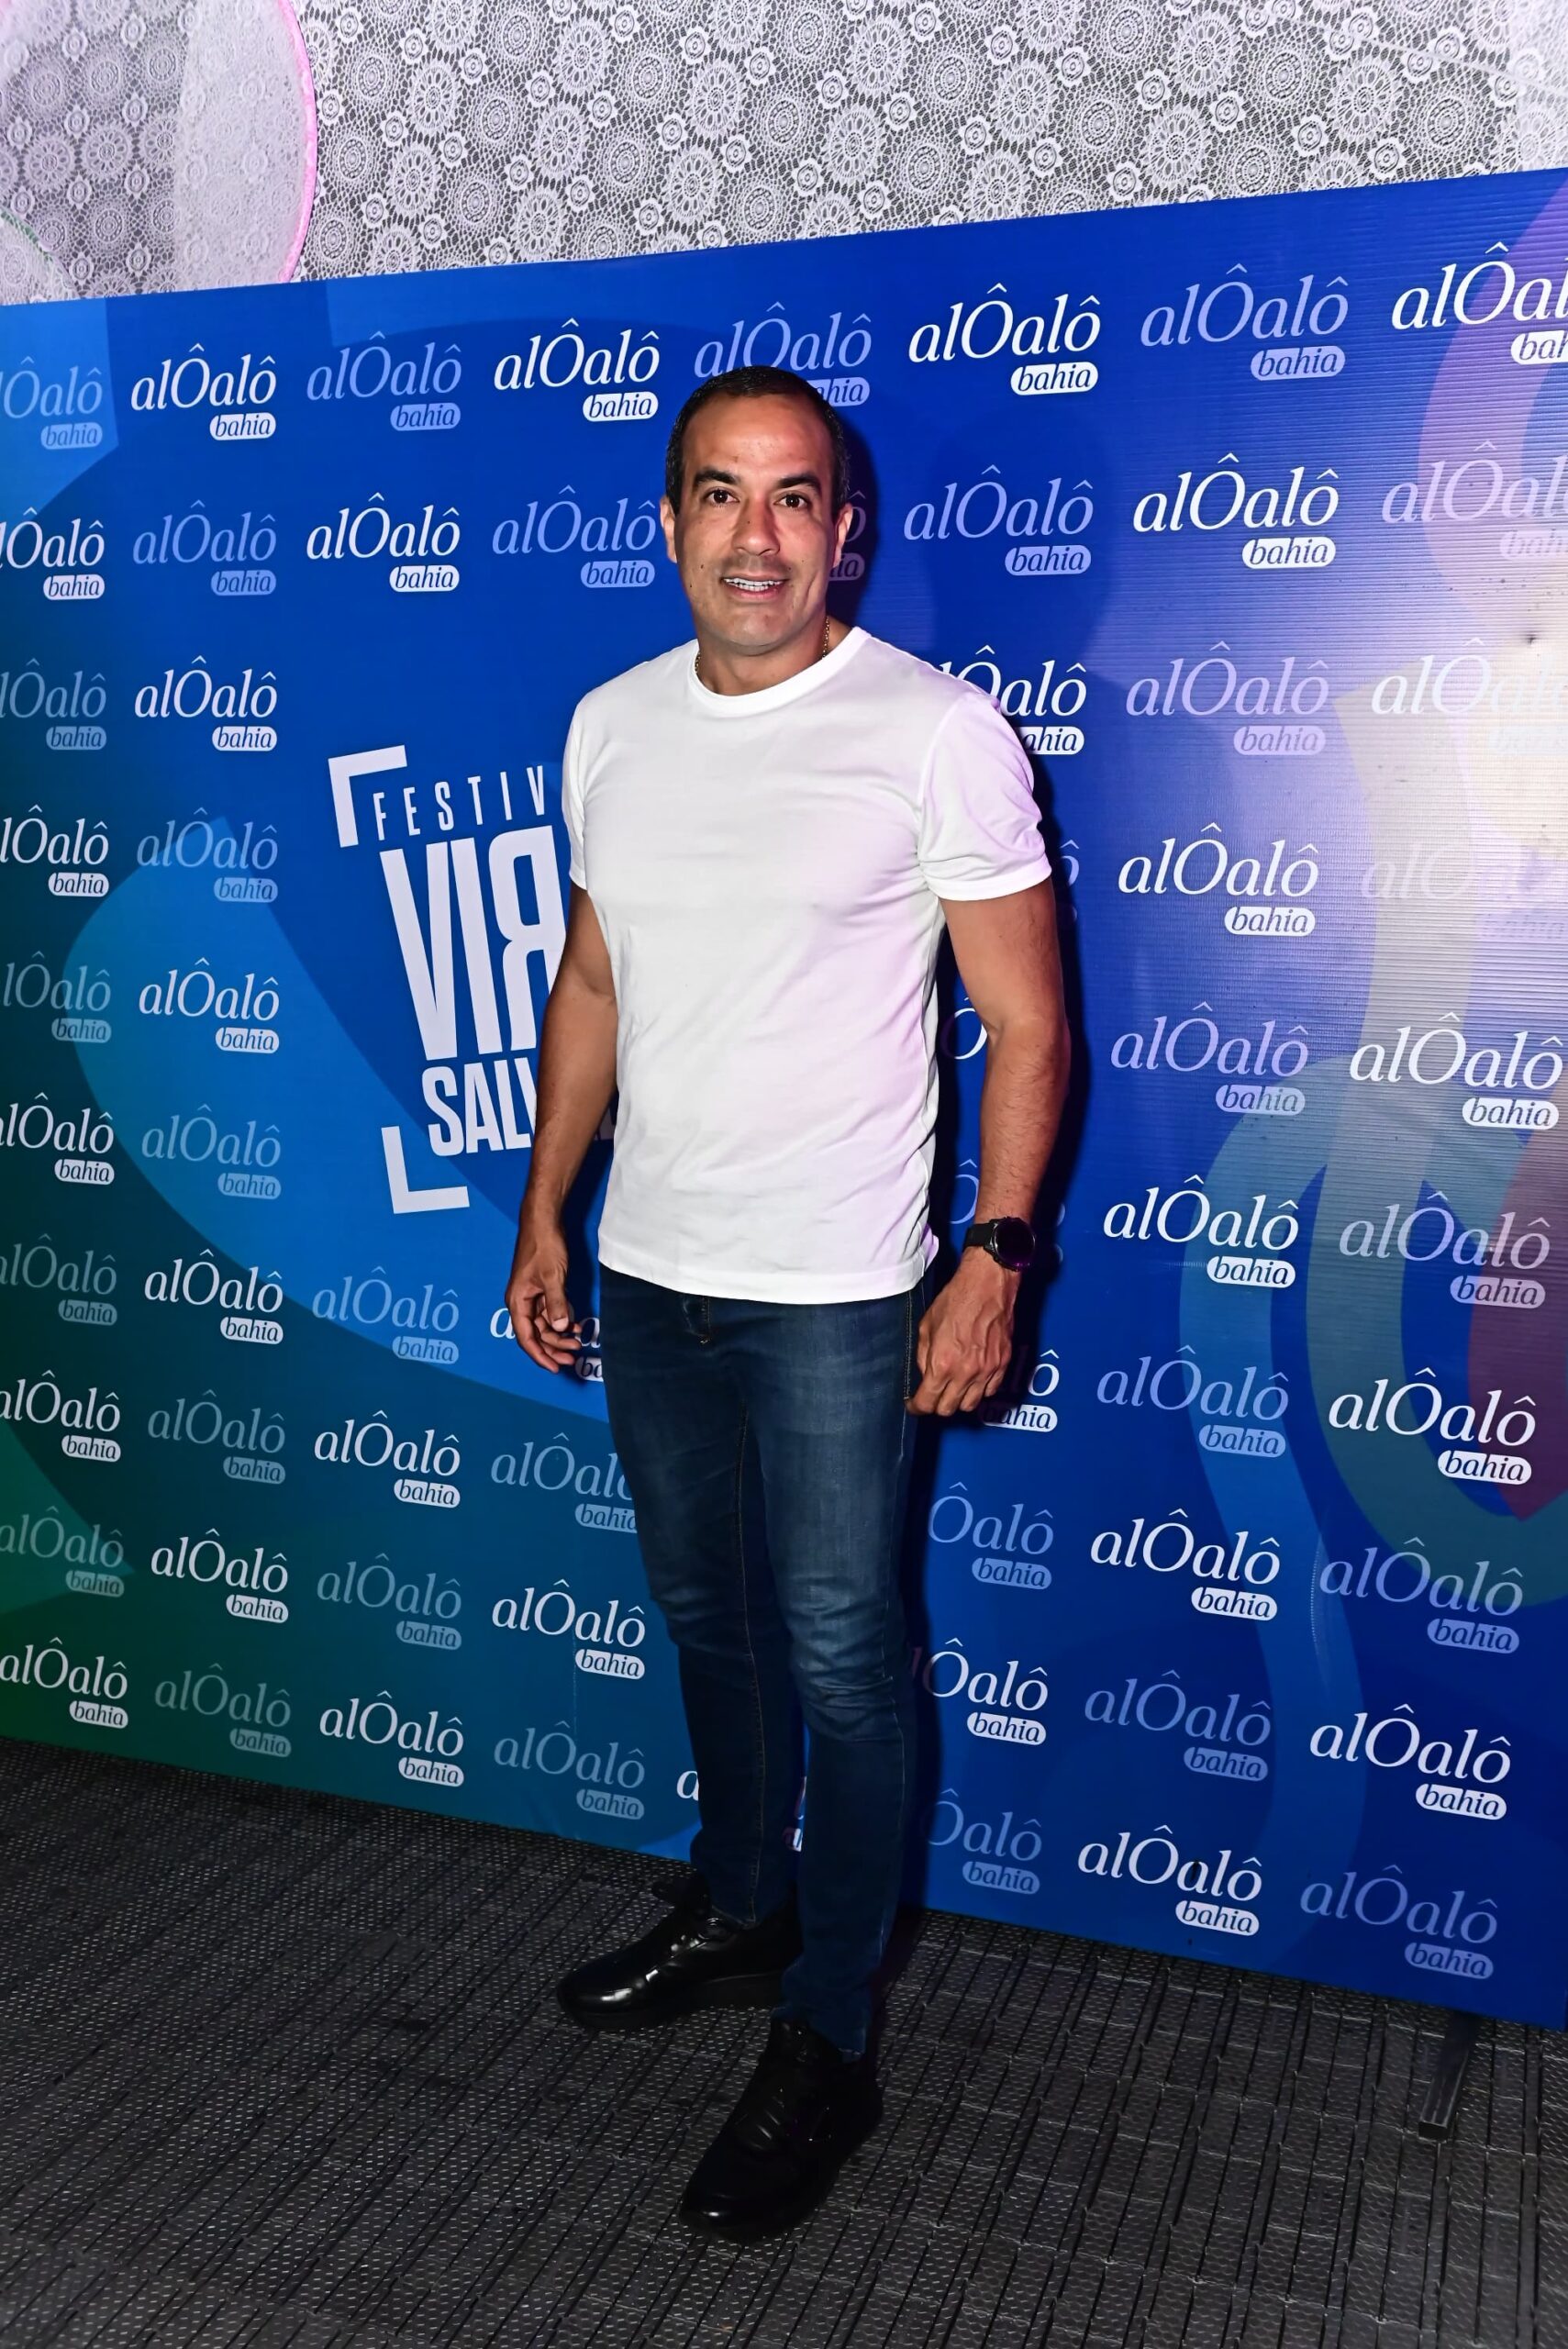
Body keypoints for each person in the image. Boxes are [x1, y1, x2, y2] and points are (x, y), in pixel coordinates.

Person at [505, 363, 1069, 2241]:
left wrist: (994, 1253)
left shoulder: (936, 731)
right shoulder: (607, 725)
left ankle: (828, 2026)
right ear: (669, 521)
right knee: (704, 1612)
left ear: (847, 530)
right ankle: (740, 1901)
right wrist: (546, 1210)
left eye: (795, 496)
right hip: (653, 1266)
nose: (757, 535)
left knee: (841, 1648)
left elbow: (1029, 1023)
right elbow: (594, 982)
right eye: (721, 494)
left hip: (837, 1288)